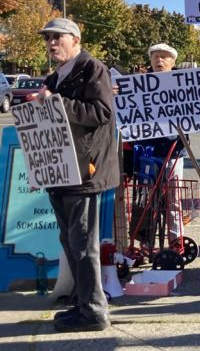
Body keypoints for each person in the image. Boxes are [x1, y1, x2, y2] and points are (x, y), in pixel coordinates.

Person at [37, 18, 119, 332]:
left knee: (84, 244)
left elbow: (102, 112)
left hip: (85, 170)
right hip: (60, 170)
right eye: (48, 39)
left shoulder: (92, 69)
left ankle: (94, 312)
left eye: (57, 37)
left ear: (75, 38)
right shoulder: (55, 77)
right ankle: (81, 303)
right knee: (70, 242)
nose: (51, 43)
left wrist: (59, 104)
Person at [134, 43, 186, 242]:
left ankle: (176, 239)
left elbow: (195, 111)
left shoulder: (182, 83)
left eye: (164, 56)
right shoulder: (139, 84)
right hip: (147, 151)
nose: (159, 60)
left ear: (173, 62)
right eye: (155, 56)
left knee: (174, 199)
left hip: (174, 151)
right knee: (145, 199)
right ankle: (145, 239)